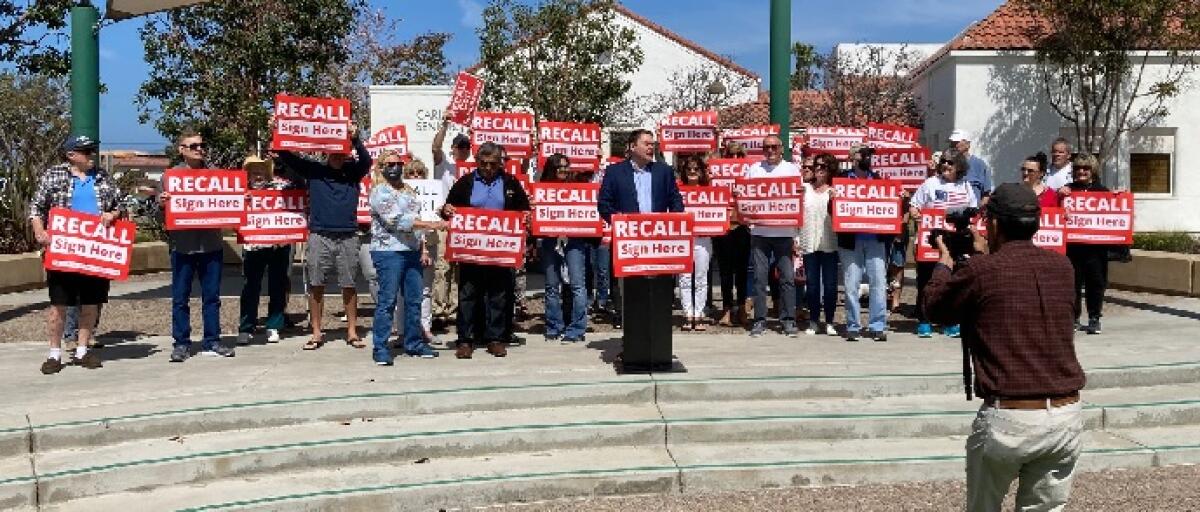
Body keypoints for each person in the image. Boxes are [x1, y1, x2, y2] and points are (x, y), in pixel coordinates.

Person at [924, 183, 1085, 512]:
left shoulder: (981, 270)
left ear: (994, 224)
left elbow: (934, 307)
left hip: (1009, 416)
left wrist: (944, 262)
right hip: (1065, 414)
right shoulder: (1063, 267)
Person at [274, 120, 372, 351]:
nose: (337, 156)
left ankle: (352, 331)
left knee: (348, 285)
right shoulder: (314, 170)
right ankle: (317, 332)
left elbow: (367, 161)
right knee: (316, 284)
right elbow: (286, 156)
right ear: (326, 152)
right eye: (333, 152)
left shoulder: (353, 172)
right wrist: (276, 130)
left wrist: (356, 139)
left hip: (348, 235)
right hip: (319, 235)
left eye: (341, 152)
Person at [28, 135, 122, 374]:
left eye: (92, 151)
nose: (91, 155)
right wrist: (40, 230)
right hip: (63, 251)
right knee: (59, 305)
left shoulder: (103, 177)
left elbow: (118, 205)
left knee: (91, 303)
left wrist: (113, 214)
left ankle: (82, 350)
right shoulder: (54, 175)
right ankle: (54, 354)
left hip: (95, 250)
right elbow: (36, 208)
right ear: (71, 155)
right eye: (86, 151)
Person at [440, 142, 531, 359]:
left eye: (493, 164)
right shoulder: (465, 183)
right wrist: (447, 209)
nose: (488, 168)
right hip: (471, 251)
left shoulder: (510, 182)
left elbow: (523, 208)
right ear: (477, 162)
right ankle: (466, 340)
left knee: (499, 295)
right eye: (484, 163)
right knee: (468, 294)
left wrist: (526, 216)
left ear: (500, 162)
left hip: (500, 251)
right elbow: (447, 210)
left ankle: (496, 338)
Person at [597, 129, 685, 338]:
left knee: (657, 292)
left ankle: (657, 338)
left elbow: (676, 201)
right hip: (630, 244)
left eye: (652, 144)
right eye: (646, 143)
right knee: (630, 293)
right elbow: (604, 204)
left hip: (657, 244)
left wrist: (674, 219)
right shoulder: (615, 172)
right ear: (631, 147)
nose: (650, 147)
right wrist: (620, 223)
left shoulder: (663, 171)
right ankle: (632, 341)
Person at [157, 131, 232, 362]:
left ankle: (213, 340)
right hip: (182, 247)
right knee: (180, 299)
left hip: (211, 246)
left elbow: (230, 205)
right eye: (193, 146)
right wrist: (161, 205)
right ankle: (181, 343)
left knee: (212, 297)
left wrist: (242, 199)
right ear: (181, 149)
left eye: (202, 145)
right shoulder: (170, 177)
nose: (199, 149)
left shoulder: (217, 175)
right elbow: (162, 218)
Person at [368, 157, 447, 365]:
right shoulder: (379, 192)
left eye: (399, 164)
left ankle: (414, 343)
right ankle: (381, 347)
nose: (396, 168)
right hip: (388, 251)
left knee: (415, 299)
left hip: (412, 251)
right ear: (382, 168)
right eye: (391, 165)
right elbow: (398, 221)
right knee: (387, 300)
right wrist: (434, 224)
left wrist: (423, 249)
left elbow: (416, 224)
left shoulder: (409, 191)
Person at [910, 153, 979, 338]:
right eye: (944, 162)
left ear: (960, 166)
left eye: (951, 163)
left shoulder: (965, 186)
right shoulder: (930, 183)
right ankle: (924, 320)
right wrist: (916, 213)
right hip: (931, 240)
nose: (946, 165)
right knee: (925, 279)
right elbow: (914, 205)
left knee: (953, 281)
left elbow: (973, 210)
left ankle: (950, 322)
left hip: (956, 241)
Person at [743, 135, 802, 337]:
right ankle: (760, 320)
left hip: (785, 233)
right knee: (759, 279)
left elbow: (798, 198)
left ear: (781, 148)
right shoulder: (754, 169)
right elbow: (745, 197)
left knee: (787, 278)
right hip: (760, 232)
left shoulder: (792, 170)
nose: (770, 150)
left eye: (774, 146)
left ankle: (788, 320)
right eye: (766, 147)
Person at [835, 144, 894, 342]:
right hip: (850, 240)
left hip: (875, 239)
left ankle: (877, 325)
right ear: (853, 157)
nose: (867, 159)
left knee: (878, 282)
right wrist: (832, 200)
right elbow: (832, 211)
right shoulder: (842, 180)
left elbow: (890, 206)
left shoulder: (879, 181)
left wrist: (899, 199)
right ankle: (853, 325)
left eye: (869, 155)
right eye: (864, 155)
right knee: (851, 284)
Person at [237, 156, 297, 345]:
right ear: (248, 175)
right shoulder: (240, 192)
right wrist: (241, 202)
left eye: (262, 172)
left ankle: (274, 325)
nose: (258, 176)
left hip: (278, 245)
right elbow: (230, 215)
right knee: (250, 287)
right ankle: (247, 327)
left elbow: (299, 191)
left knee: (278, 286)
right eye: (254, 172)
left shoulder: (280, 188)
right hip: (252, 245)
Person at [536, 154, 594, 343]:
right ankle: (554, 326)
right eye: (559, 168)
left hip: (574, 240)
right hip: (549, 240)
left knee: (577, 285)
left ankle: (576, 329)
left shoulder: (577, 188)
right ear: (551, 169)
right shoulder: (541, 189)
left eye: (566, 167)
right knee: (551, 286)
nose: (563, 171)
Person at [1058, 153, 1111, 335]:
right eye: (1078, 168)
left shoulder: (1104, 192)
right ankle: (1073, 318)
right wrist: (1059, 196)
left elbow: (1115, 214)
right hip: (1072, 248)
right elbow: (1054, 212)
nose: (1082, 171)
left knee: (1095, 284)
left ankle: (1094, 318)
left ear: (1093, 171)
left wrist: (1119, 197)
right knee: (1072, 284)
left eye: (1086, 168)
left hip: (1096, 250)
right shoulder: (1066, 191)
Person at [430, 116, 470, 327]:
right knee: (442, 268)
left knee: (460, 270)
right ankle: (439, 310)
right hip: (444, 223)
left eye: (466, 147)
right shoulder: (444, 165)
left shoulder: (474, 169)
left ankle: (455, 310)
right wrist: (444, 124)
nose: (462, 150)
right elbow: (436, 147)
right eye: (459, 146)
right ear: (453, 148)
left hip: (465, 225)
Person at [799, 153, 840, 336]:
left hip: (829, 242)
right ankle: (814, 320)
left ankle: (830, 320)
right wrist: (796, 239)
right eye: (816, 166)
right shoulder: (804, 188)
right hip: (809, 242)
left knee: (830, 285)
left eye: (823, 167)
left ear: (830, 169)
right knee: (813, 284)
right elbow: (796, 214)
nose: (819, 170)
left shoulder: (835, 190)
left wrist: (836, 199)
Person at [713, 142, 751, 327]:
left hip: (743, 226)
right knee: (725, 271)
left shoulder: (751, 175)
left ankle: (742, 307)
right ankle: (727, 308)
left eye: (739, 156)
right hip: (722, 226)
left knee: (742, 271)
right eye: (731, 156)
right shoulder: (716, 176)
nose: (735, 160)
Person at [676, 154, 714, 331]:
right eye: (689, 169)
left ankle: (698, 314)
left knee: (701, 278)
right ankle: (687, 313)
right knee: (684, 278)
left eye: (696, 169)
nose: (692, 172)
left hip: (703, 239)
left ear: (701, 171)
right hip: (682, 239)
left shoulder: (709, 190)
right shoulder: (677, 190)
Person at [947, 129, 994, 200]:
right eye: (952, 142)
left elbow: (987, 194)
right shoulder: (946, 164)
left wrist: (979, 209)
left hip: (974, 209)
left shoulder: (979, 164)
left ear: (967, 145)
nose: (953, 145)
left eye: (956, 142)